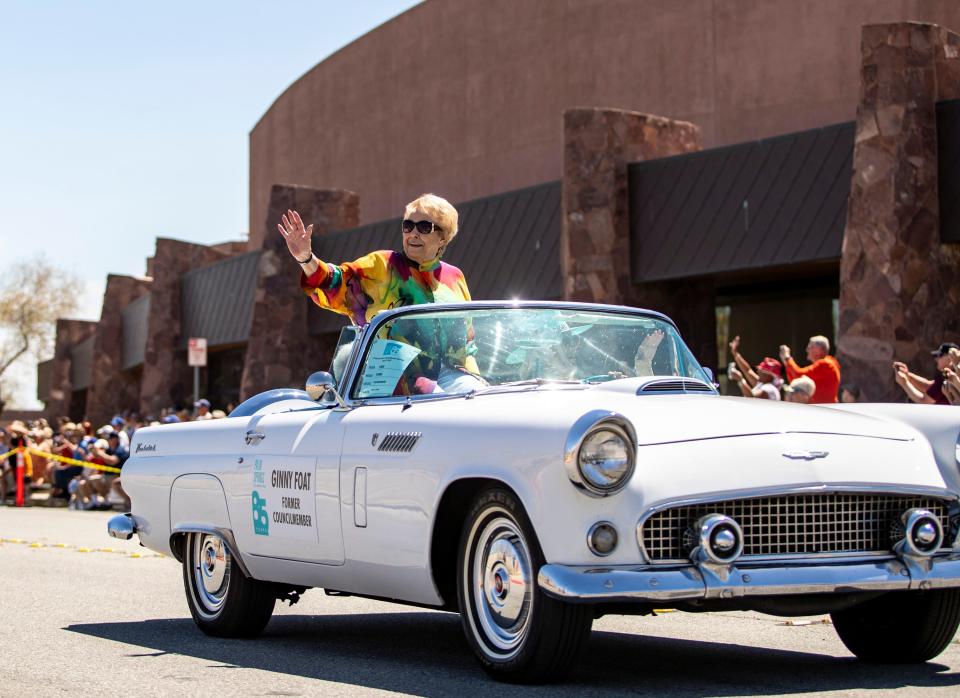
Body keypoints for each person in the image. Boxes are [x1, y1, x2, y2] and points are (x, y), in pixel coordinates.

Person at [280, 194, 480, 392]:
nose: (413, 233)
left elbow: (467, 341)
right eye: (408, 226)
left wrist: (477, 378)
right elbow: (336, 281)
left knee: (479, 396)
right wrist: (306, 258)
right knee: (436, 401)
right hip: (396, 374)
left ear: (443, 237)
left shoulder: (455, 277)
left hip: (451, 373)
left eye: (424, 227)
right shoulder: (381, 265)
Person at [779, 335, 841, 404]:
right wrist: (787, 363)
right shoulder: (826, 364)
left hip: (824, 409)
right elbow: (795, 381)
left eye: (810, 347)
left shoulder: (826, 364)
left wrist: (788, 358)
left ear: (819, 349)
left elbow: (798, 375)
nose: (807, 350)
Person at [893, 343, 958, 405]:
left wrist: (904, 383)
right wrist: (907, 374)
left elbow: (924, 401)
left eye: (940, 355)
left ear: (950, 358)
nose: (936, 359)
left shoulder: (948, 377)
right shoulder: (947, 376)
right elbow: (929, 386)